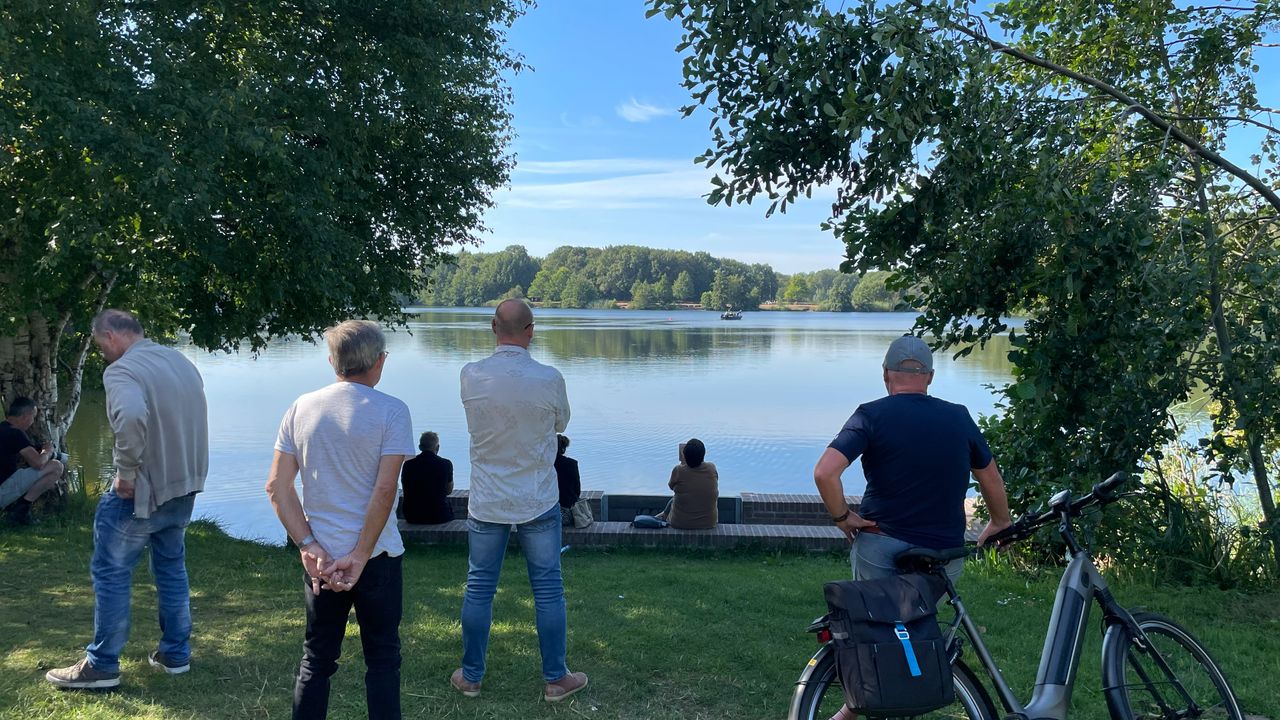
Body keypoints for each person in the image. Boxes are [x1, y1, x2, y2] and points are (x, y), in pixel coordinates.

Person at [813, 335, 1012, 720]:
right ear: (930, 377)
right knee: (911, 632)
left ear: (886, 375)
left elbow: (825, 472)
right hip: (943, 555)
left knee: (877, 633)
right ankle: (877, 703)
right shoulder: (958, 416)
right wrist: (1001, 522)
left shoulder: (870, 415)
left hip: (881, 545)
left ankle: (856, 709)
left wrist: (842, 517)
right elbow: (991, 480)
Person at [46, 309, 209, 690]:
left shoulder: (122, 370)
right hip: (183, 485)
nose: (103, 352)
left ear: (111, 335)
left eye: (101, 345)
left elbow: (133, 414)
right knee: (171, 567)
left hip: (143, 490)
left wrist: (125, 471)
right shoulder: (179, 361)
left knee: (111, 572)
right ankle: (175, 654)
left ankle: (102, 664)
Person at [265, 320, 415, 720]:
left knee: (316, 660)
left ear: (332, 360)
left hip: (322, 561)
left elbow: (277, 488)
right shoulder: (392, 411)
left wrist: (308, 545)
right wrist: (361, 555)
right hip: (377, 557)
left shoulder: (301, 407)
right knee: (383, 660)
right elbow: (385, 492)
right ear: (380, 362)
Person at [452, 299, 588, 703]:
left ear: (494, 327)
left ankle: (472, 676)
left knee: (479, 587)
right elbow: (561, 422)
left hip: (487, 499)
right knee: (548, 589)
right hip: (537, 497)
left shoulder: (471, 375)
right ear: (532, 330)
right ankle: (555, 679)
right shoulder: (549, 378)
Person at [1, 397, 65, 525]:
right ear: (26, 416)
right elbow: (38, 463)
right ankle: (20, 512)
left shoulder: (3, 428)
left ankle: (14, 509)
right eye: (33, 417)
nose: (32, 422)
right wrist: (48, 450)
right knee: (56, 466)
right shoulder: (16, 433)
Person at [661, 439, 718, 530]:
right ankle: (662, 515)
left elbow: (671, 486)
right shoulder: (711, 468)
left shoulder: (678, 470)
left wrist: (683, 464)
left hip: (680, 523)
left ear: (685, 455)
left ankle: (662, 516)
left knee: (676, 497)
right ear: (703, 454)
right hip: (708, 523)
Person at [400, 431, 454, 525]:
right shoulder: (446, 464)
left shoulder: (408, 464)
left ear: (420, 447)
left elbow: (406, 488)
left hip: (412, 516)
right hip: (440, 516)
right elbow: (448, 490)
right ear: (437, 447)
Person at [554, 434, 580, 526]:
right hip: (566, 510)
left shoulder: (545, 466)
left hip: (547, 510)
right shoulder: (572, 464)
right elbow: (577, 490)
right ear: (564, 448)